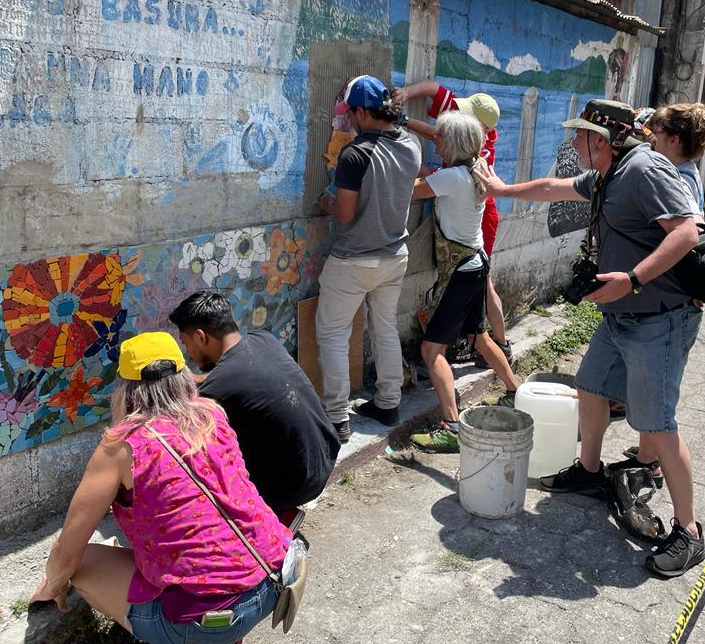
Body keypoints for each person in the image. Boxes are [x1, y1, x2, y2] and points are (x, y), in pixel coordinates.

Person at [479, 99, 705, 577]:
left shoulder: (643, 169)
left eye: (578, 136)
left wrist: (633, 279)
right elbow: (550, 187)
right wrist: (499, 187)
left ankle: (689, 532)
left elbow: (687, 231)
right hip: (622, 315)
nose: (572, 144)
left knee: (658, 423)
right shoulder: (606, 174)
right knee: (591, 386)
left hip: (658, 317)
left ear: (599, 140)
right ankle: (588, 471)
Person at [30, 332, 291, 643]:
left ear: (125, 389)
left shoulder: (121, 447)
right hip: (273, 581)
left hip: (199, 621)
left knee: (82, 562)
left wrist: (54, 584)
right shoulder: (212, 415)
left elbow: (68, 546)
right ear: (183, 377)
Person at [168, 291, 340, 520]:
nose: (186, 351)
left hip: (296, 484)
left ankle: (269, 517)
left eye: (184, 342)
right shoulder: (263, 339)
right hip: (325, 457)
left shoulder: (218, 388)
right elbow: (235, 377)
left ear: (200, 337)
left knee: (199, 463)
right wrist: (193, 379)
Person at [316, 75, 422, 443]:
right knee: (384, 327)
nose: (349, 121)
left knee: (332, 334)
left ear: (361, 111)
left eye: (351, 114)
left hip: (353, 261)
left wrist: (326, 201)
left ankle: (335, 418)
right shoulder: (411, 146)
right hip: (394, 256)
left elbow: (344, 213)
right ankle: (388, 403)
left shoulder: (356, 153)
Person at [407, 111, 519, 452]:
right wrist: (410, 124)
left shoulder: (452, 177)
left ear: (453, 144)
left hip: (460, 270)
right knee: (479, 337)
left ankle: (451, 428)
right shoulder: (477, 168)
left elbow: (413, 192)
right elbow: (438, 173)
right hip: (477, 263)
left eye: (440, 139)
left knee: (431, 349)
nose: (436, 143)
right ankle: (516, 393)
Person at [621, 103, 705, 481]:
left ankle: (656, 467)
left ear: (674, 139)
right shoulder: (684, 170)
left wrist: (636, 275)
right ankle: (647, 455)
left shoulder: (672, 178)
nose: (649, 140)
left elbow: (686, 235)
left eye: (656, 134)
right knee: (652, 390)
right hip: (671, 297)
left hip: (670, 301)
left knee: (658, 400)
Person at [394, 81, 512, 365]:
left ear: (479, 130)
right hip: (467, 215)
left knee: (483, 285)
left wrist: (398, 149)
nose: (458, 111)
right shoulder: (469, 141)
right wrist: (405, 109)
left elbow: (432, 180)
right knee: (478, 285)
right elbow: (435, 100)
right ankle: (483, 344)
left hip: (475, 221)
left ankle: (499, 343)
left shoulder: (474, 160)